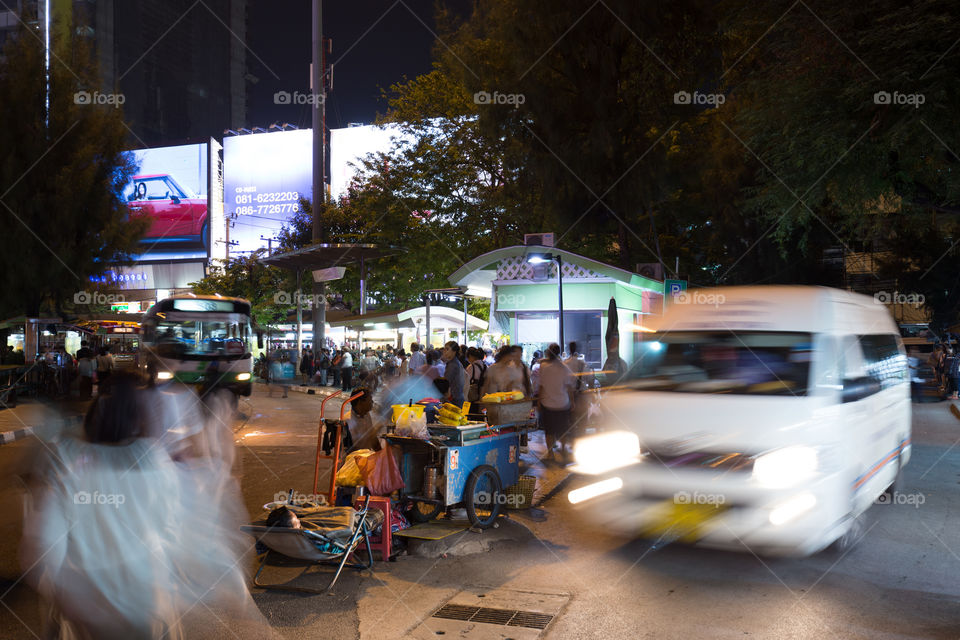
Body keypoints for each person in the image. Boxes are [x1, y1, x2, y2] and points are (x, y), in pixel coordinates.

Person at [20, 373, 268, 639]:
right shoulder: (155, 463)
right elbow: (174, 527)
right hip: (147, 604)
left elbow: (43, 545)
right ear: (138, 420)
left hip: (86, 610)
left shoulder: (67, 466)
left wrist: (66, 593)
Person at [535, 343, 576, 464]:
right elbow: (569, 388)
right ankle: (563, 449)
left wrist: (538, 401)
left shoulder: (543, 367)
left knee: (549, 430)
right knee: (562, 429)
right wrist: (572, 401)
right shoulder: (564, 368)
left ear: (548, 352)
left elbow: (541, 386)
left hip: (547, 403)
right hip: (563, 403)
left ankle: (550, 454)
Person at [441, 341, 466, 406]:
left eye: (447, 349)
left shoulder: (453, 364)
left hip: (454, 400)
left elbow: (446, 382)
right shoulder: (455, 362)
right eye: (444, 349)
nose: (444, 351)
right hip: (458, 398)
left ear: (454, 351)